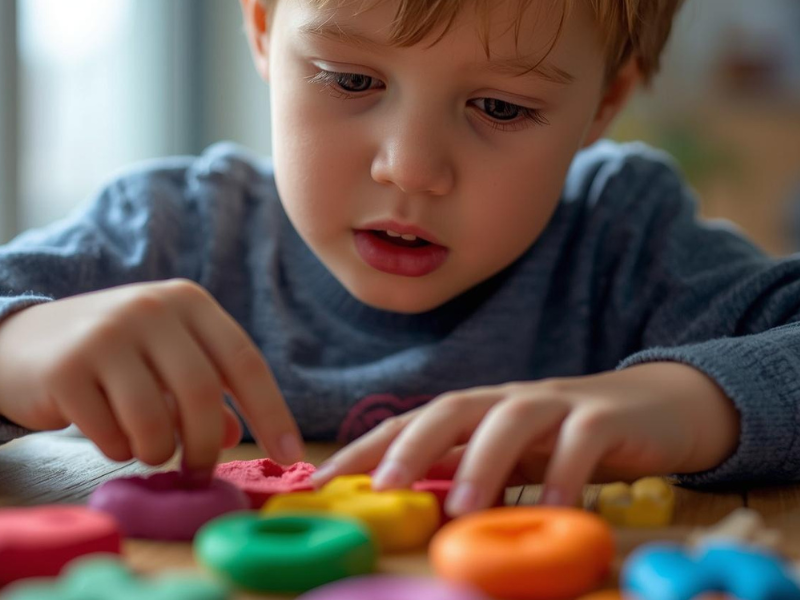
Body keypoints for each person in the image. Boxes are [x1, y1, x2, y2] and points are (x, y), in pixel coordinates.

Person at [0, 0, 796, 518]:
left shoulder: (624, 241)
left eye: (500, 107)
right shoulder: (167, 230)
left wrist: (683, 405)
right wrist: (18, 349)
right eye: (350, 78)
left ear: (604, 106)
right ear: (265, 34)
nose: (410, 168)